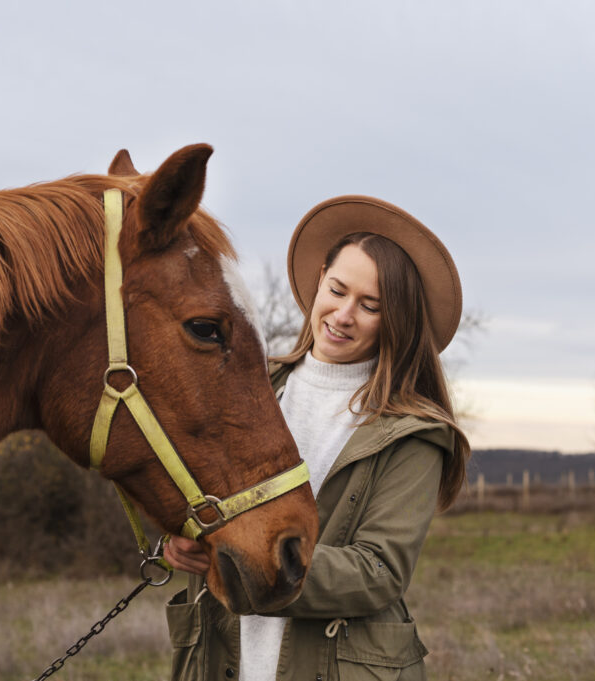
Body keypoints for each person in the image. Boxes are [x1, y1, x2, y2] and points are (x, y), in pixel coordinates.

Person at [163, 195, 471, 681]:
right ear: (320, 277)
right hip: (223, 658)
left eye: (370, 305)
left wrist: (245, 564)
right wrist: (180, 540)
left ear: (398, 320)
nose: (343, 314)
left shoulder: (415, 433)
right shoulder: (251, 386)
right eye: (338, 289)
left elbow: (378, 572)